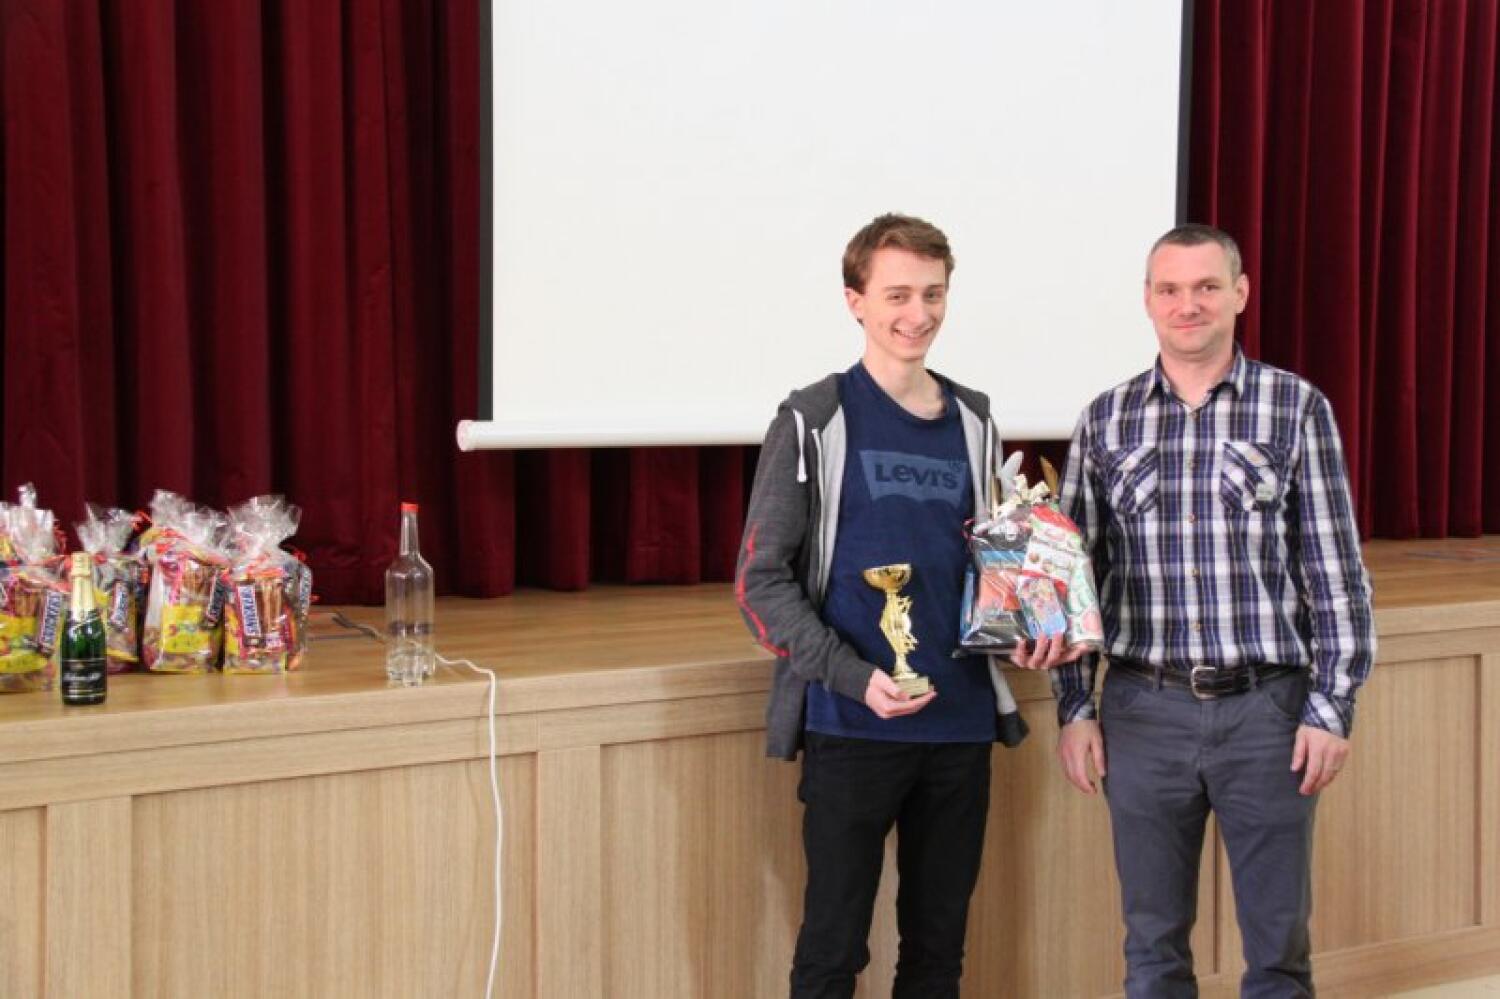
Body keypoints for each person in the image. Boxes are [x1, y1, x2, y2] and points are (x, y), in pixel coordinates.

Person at [1044, 223, 1377, 998]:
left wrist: (1331, 708)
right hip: (1141, 711)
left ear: (1240, 293)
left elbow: (1335, 573)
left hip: (1268, 713)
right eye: (1170, 289)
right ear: (1147, 300)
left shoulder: (1295, 407)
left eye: (1205, 287)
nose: (1187, 304)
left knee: (1279, 948)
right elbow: (1071, 584)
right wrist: (1074, 707)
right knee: (1152, 945)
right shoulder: (1106, 418)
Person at [735, 213, 1060, 997]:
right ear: (855, 301)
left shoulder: (975, 418)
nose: (918, 313)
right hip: (852, 726)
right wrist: (854, 677)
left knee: (937, 955)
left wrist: (1025, 626)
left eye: (933, 294)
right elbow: (759, 583)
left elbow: (991, 565)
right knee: (831, 953)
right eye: (898, 295)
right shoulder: (814, 418)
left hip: (959, 726)